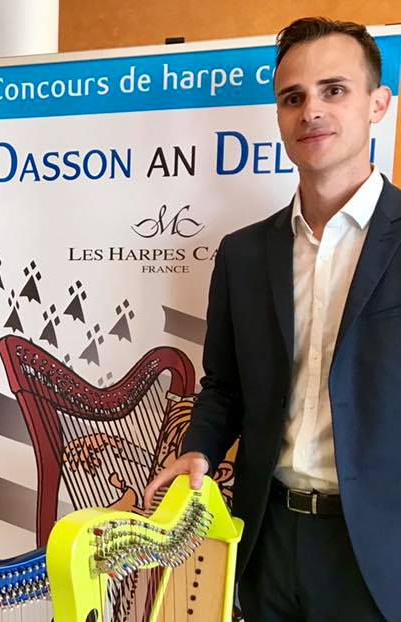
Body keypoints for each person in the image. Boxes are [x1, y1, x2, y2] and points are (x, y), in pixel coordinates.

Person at [145, 17, 396, 621]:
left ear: (378, 104)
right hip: (265, 538)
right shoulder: (243, 254)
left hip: (381, 551)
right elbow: (224, 386)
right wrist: (199, 450)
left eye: (334, 90)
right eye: (293, 97)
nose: (312, 111)